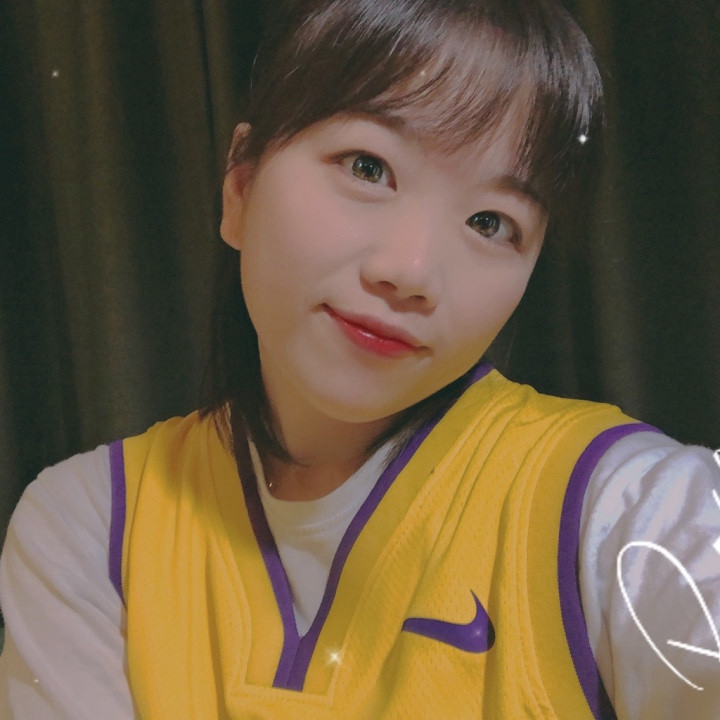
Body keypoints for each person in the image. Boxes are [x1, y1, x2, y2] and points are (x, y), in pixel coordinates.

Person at [1, 0, 719, 717]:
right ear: (240, 186)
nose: (410, 270)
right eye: (368, 167)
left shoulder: (613, 506)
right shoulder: (93, 527)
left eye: (490, 222)